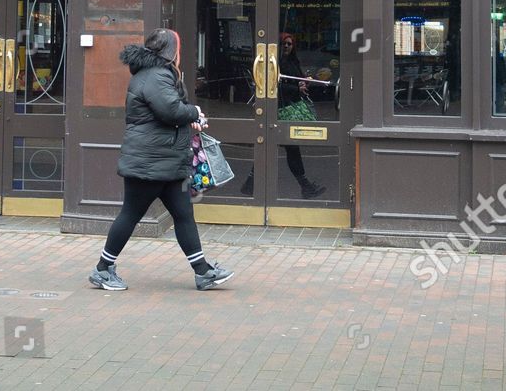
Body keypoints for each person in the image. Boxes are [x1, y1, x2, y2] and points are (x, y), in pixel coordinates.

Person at [88, 28, 234, 292]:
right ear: (170, 51)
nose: (180, 53)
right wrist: (194, 112)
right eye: (178, 48)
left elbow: (170, 113)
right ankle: (102, 269)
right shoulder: (156, 76)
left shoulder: (157, 74)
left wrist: (192, 120)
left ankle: (203, 272)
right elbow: (170, 110)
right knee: (131, 214)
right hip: (149, 163)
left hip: (167, 162)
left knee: (183, 214)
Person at [239, 33, 327, 200]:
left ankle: (250, 185)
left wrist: (303, 82)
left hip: (289, 107)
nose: (287, 47)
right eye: (284, 44)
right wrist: (297, 89)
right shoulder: (276, 63)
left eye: (289, 44)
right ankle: (305, 186)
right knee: (286, 149)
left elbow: (296, 80)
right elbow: (271, 85)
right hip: (280, 109)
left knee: (271, 148)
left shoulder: (293, 61)